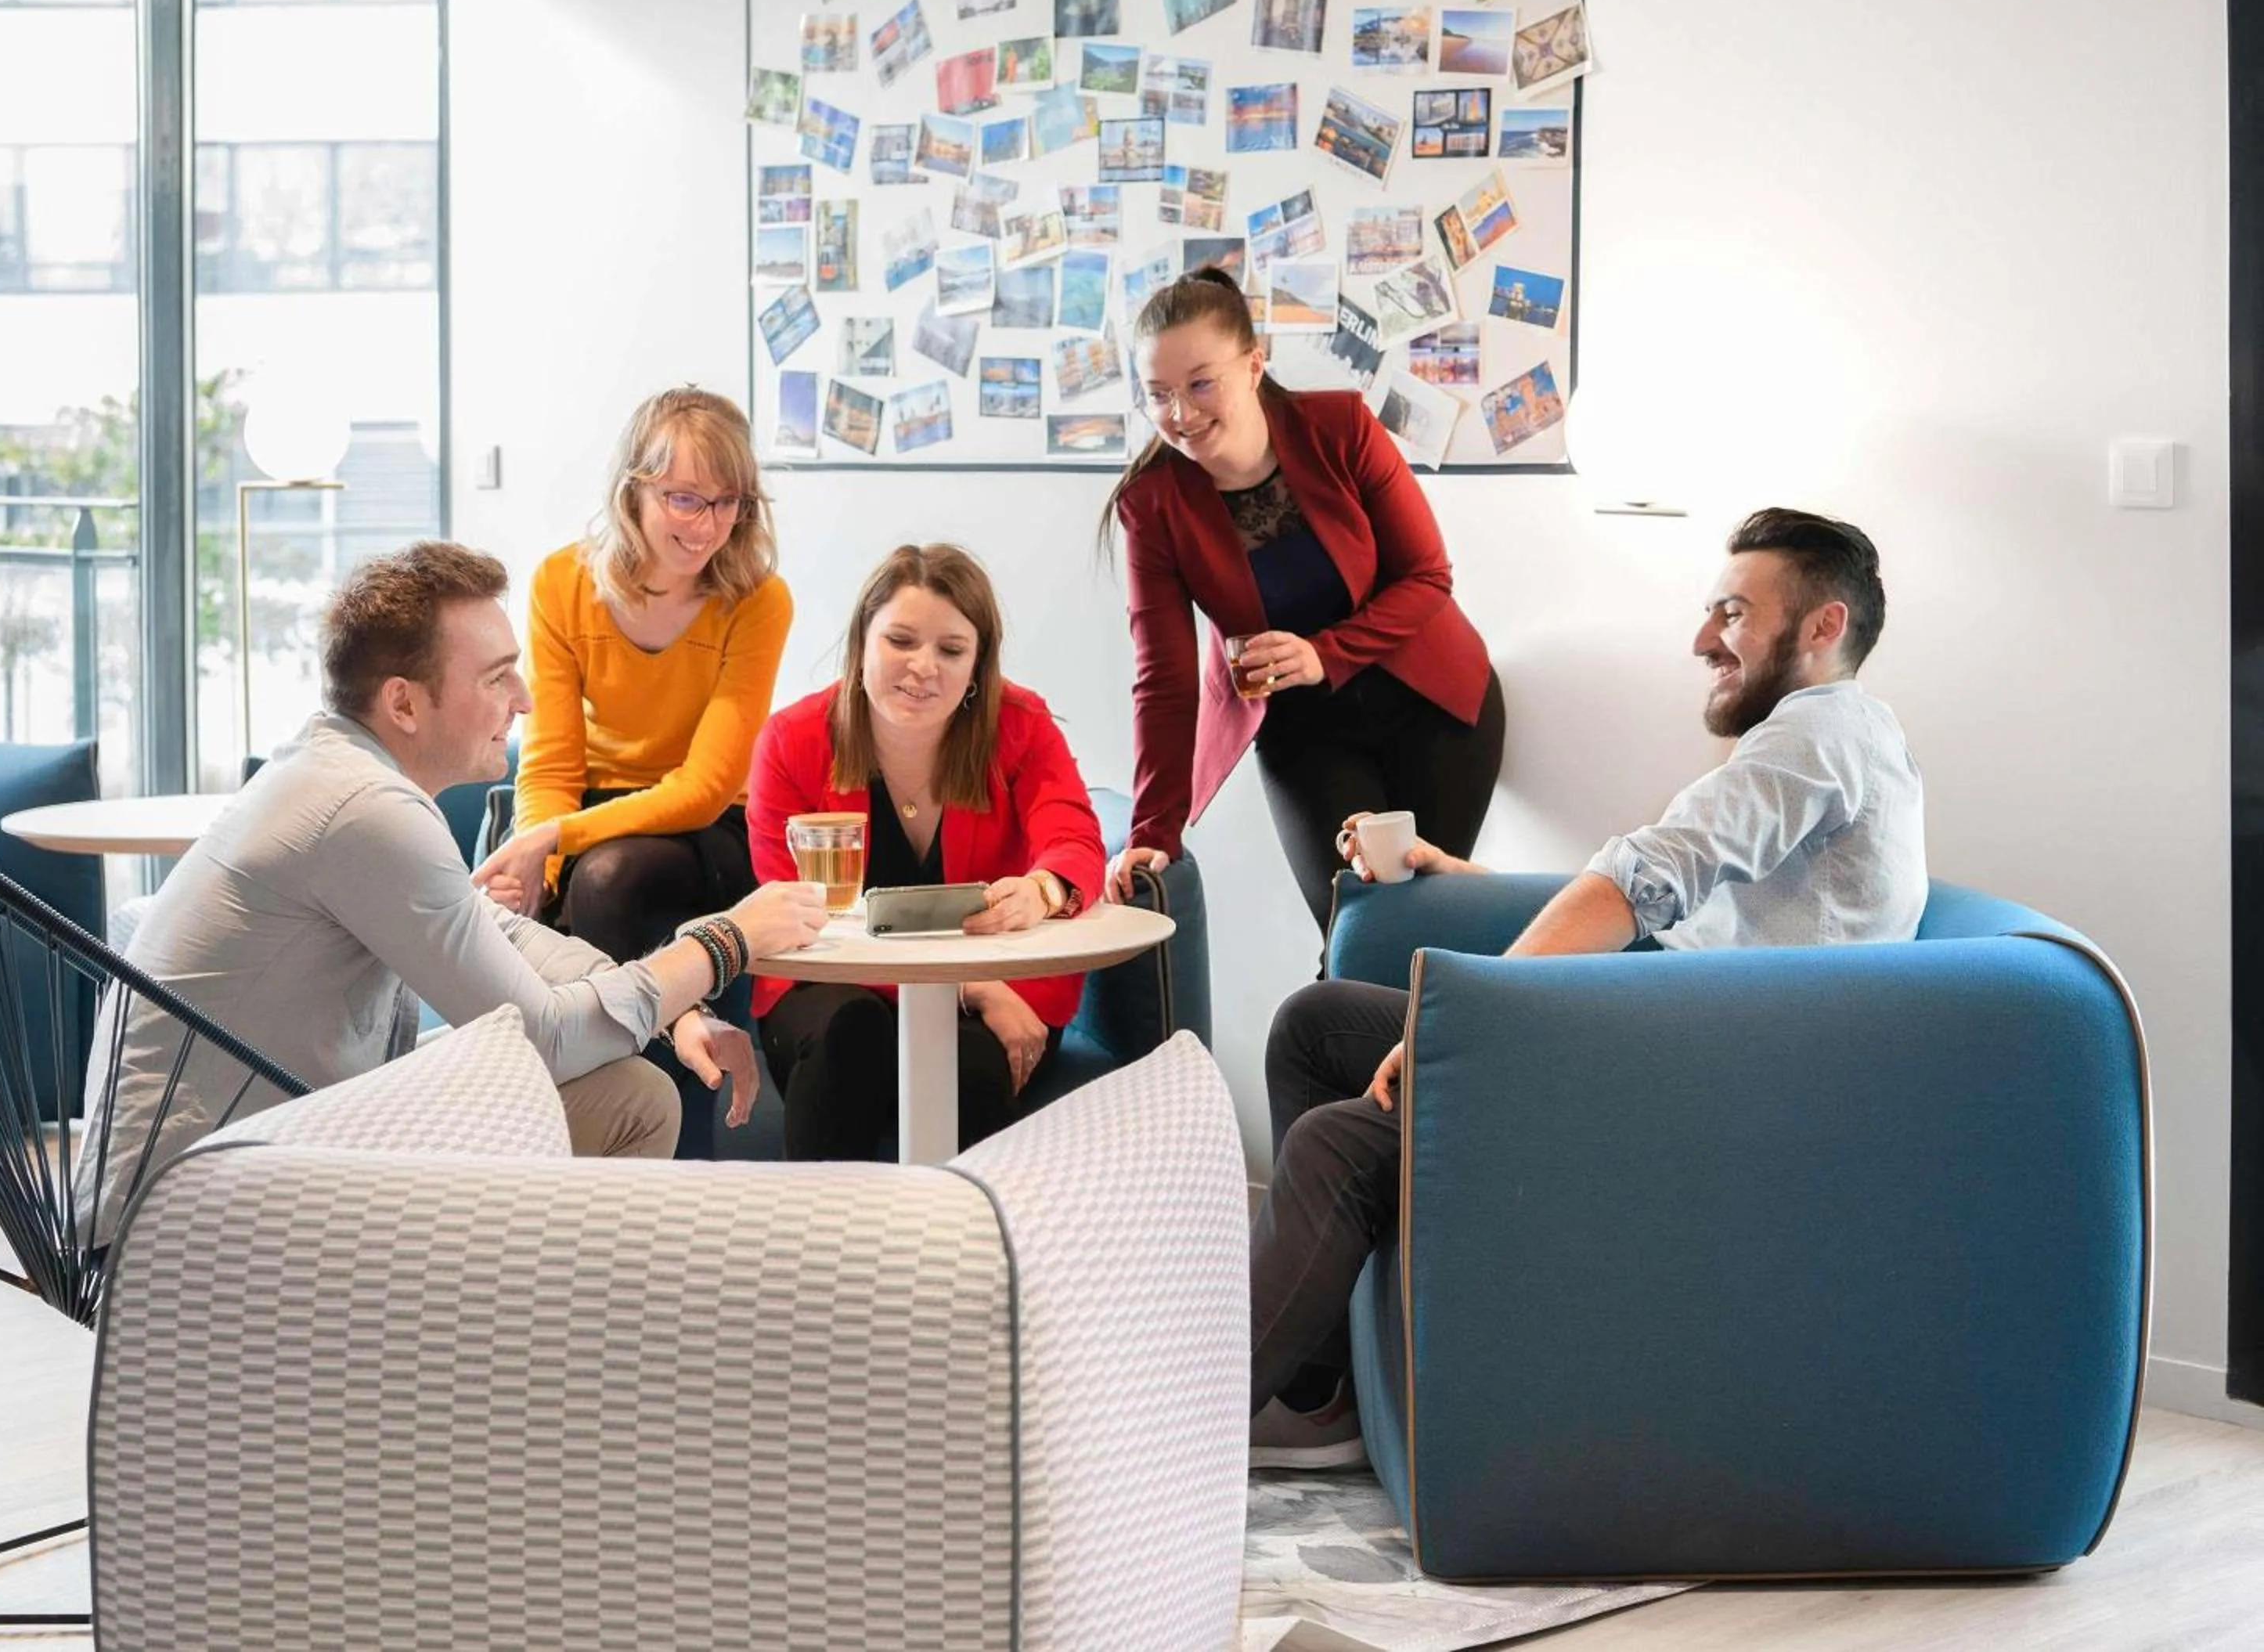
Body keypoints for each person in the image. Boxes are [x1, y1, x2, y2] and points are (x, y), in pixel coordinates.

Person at [1249, 508, 1927, 1468]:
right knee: (1317, 1026)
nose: (1703, 641)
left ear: (1824, 628)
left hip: (1712, 1075)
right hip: (1670, 1025)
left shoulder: (1818, 735)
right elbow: (1669, 911)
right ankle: (1324, 1397)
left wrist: (1468, 1020)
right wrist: (1464, 877)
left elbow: (1646, 875)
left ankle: (1185, 1430)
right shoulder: (1843, 739)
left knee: (1343, 1139)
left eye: (1732, 614)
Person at [77, 542, 826, 1234]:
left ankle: (510, 1344)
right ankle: (516, 1348)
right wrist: (725, 941)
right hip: (201, 1213)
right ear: (404, 703)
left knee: (631, 1091)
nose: (525, 699)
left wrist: (674, 1008)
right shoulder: (365, 811)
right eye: (497, 676)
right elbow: (547, 1038)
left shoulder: (338, 771)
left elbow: (498, 933)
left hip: (256, 1153)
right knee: (623, 1096)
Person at [1099, 267, 1504, 940]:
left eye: (1201, 383)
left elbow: (1428, 577)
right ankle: (1339, 1043)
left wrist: (1324, 653)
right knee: (1357, 933)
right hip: (1304, 730)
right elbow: (1164, 681)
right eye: (1159, 394)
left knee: (1431, 930)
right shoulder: (1151, 505)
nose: (1181, 413)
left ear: (1254, 365)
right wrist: (1152, 829)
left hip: (1432, 705)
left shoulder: (1341, 426)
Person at [746, 543, 1107, 1160]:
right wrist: (971, 988)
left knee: (965, 1069)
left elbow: (1072, 838)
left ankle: (966, 1255)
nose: (923, 667)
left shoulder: (1019, 724)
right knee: (849, 1035)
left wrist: (1043, 890)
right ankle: (818, 1250)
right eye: (902, 640)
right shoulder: (792, 740)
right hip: (830, 984)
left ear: (977, 667)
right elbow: (794, 921)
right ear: (861, 643)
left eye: (951, 650)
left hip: (998, 998)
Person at [473, 388, 795, 967]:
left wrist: (552, 840)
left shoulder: (759, 601)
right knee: (514, 902)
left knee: (606, 877)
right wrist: (537, 874)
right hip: (590, 808)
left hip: (712, 827)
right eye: (685, 500)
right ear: (632, 491)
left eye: (728, 502)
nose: (708, 525)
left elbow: (703, 789)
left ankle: (624, 1058)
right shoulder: (561, 583)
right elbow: (550, 765)